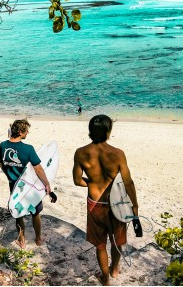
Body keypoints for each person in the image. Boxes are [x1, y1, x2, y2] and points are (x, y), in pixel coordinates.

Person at [72, 114, 139, 286]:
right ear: (109, 131)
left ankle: (105, 278)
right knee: (116, 240)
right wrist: (135, 206)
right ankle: (115, 269)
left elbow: (77, 181)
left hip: (95, 204)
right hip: (117, 203)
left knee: (100, 244)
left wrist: (92, 182)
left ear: (90, 131)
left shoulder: (81, 153)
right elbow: (128, 182)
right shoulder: (117, 154)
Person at [0, 119, 55, 249]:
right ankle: (38, 238)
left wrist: (8, 175)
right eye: (26, 131)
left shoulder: (2, 146)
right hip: (29, 187)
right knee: (35, 213)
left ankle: (22, 241)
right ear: (21, 132)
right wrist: (47, 184)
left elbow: (1, 164)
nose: (28, 133)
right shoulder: (28, 149)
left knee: (18, 212)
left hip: (14, 185)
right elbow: (38, 169)